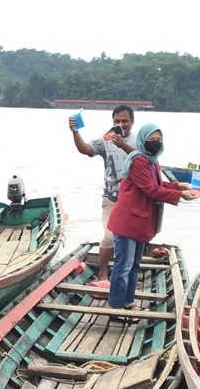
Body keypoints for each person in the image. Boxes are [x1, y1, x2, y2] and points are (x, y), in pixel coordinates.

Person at [107, 123, 197, 316]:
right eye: (152, 140)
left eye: (159, 140)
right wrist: (180, 195)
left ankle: (128, 302)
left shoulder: (152, 160)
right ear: (142, 140)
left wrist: (178, 186)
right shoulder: (139, 160)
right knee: (123, 266)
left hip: (139, 222)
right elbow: (151, 189)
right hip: (127, 222)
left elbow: (158, 183)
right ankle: (116, 307)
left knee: (135, 265)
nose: (156, 143)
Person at [68, 105, 137, 287]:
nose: (121, 125)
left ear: (132, 122)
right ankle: (102, 274)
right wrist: (75, 132)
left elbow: (145, 159)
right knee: (109, 236)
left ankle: (126, 277)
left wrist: (124, 145)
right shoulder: (106, 139)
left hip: (134, 199)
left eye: (125, 121)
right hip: (111, 198)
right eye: (117, 121)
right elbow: (85, 149)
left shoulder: (139, 140)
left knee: (131, 240)